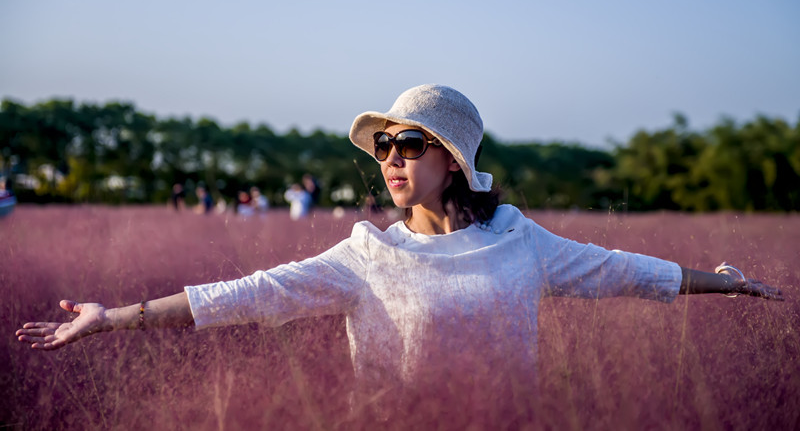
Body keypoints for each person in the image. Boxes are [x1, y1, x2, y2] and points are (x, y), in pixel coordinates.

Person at [15, 84, 783, 425]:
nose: (391, 156)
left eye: (409, 143)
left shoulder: (520, 241)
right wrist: (110, 318)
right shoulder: (365, 257)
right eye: (384, 145)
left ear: (452, 159)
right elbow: (241, 295)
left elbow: (624, 270)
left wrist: (726, 285)